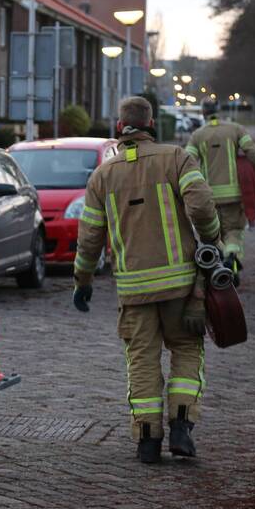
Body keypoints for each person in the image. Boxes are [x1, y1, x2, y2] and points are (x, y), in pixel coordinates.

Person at [73, 97, 220, 464]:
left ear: (119, 127)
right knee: (186, 350)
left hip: (134, 291)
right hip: (181, 287)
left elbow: (90, 236)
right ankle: (182, 425)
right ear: (151, 122)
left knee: (141, 360)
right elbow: (201, 205)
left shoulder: (102, 176)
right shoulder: (176, 158)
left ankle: (147, 438)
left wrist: (83, 280)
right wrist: (213, 240)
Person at [186, 97, 255, 276]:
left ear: (203, 112)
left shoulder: (198, 135)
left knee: (212, 235)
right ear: (218, 110)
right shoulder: (236, 129)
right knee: (233, 232)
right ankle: (231, 259)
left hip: (209, 197)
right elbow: (253, 153)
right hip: (234, 196)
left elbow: (187, 161)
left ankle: (217, 269)